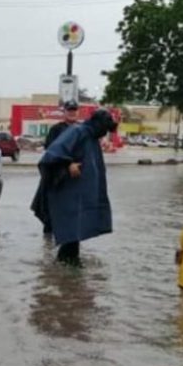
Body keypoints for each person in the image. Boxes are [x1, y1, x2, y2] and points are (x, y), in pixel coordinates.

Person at [30, 108, 117, 266]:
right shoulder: (77, 132)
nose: (104, 133)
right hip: (67, 193)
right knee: (70, 230)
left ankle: (67, 271)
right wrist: (68, 164)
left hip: (80, 195)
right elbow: (51, 155)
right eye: (104, 129)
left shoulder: (92, 137)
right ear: (97, 124)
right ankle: (65, 272)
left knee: (75, 231)